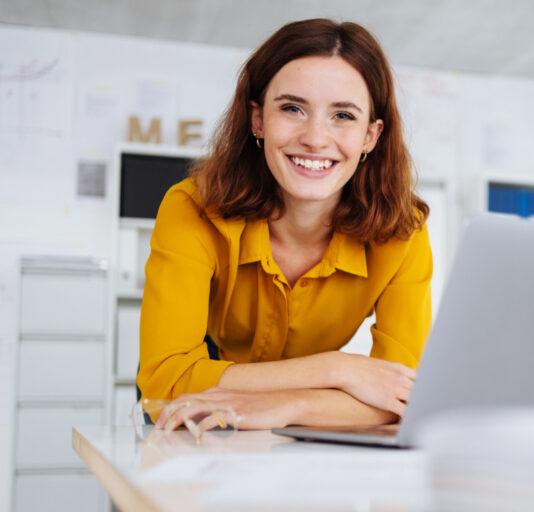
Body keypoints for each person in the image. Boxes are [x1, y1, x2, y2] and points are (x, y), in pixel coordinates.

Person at [137, 18, 432, 433]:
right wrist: (340, 370)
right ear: (258, 119)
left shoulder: (403, 232)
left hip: (289, 406)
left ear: (371, 135)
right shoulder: (191, 207)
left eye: (343, 115)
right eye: (292, 108)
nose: (315, 138)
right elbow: (166, 382)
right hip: (201, 375)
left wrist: (289, 407)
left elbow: (404, 396)